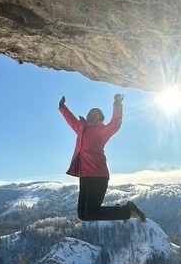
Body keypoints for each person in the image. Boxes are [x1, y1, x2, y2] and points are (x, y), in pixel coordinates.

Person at [59, 94, 147, 222]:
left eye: (94, 114)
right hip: (84, 177)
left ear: (100, 118)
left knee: (91, 213)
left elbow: (115, 124)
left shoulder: (101, 131)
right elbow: (70, 119)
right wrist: (62, 106)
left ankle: (127, 210)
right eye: (89, 113)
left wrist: (117, 104)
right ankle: (119, 210)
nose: (90, 115)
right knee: (83, 216)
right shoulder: (80, 128)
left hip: (98, 176)